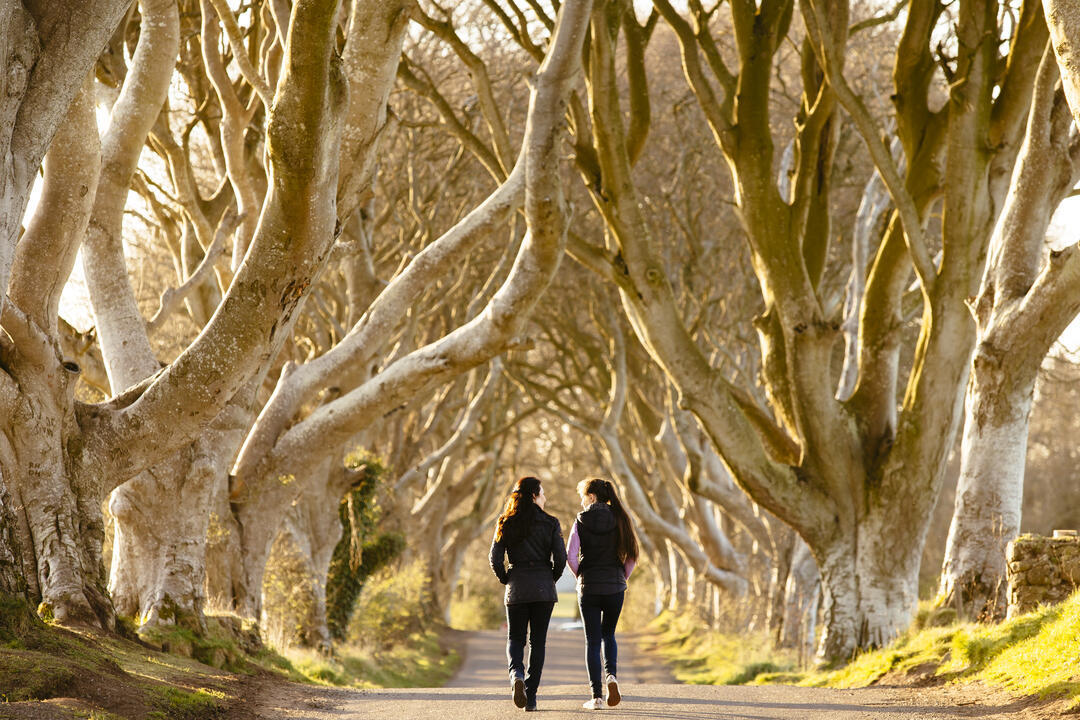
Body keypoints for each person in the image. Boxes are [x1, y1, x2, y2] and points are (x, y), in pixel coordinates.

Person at [489, 476, 567, 712]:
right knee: (538, 642)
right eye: (542, 493)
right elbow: (561, 558)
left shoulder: (505, 521)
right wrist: (551, 578)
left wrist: (506, 578)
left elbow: (495, 558)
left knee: (515, 638)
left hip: (517, 587)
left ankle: (516, 676)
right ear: (534, 495)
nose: (545, 498)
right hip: (543, 588)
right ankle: (531, 697)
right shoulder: (551, 523)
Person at [567, 478, 638, 709]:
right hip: (615, 586)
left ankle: (596, 697)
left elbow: (570, 556)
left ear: (591, 497)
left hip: (589, 586)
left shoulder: (580, 520)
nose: (581, 502)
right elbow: (632, 555)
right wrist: (622, 577)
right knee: (609, 635)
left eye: (582, 496)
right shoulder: (621, 518)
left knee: (592, 640)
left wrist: (580, 576)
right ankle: (611, 677)